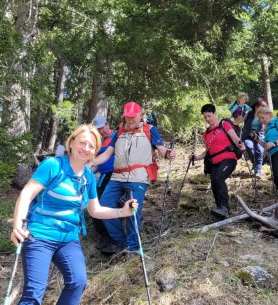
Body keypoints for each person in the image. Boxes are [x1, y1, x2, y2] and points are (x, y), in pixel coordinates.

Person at [0, 125, 138, 305]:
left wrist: (123, 212)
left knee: (77, 282)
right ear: (72, 143)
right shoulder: (53, 165)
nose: (86, 148)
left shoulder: (87, 176)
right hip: (39, 235)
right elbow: (27, 193)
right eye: (82, 143)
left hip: (68, 239)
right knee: (33, 292)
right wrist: (18, 224)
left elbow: (95, 210)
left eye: (91, 146)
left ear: (94, 152)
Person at [92, 101, 176, 253]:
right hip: (117, 177)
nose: (130, 120)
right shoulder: (118, 132)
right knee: (103, 206)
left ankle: (133, 247)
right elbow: (106, 154)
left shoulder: (150, 130)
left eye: (133, 117)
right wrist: (90, 162)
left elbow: (161, 149)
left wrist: (168, 153)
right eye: (127, 117)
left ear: (140, 115)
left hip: (138, 177)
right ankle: (121, 242)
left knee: (132, 211)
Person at [192, 103, 246, 219]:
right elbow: (207, 151)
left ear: (215, 114)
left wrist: (240, 144)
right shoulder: (206, 134)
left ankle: (224, 208)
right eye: (205, 117)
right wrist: (196, 157)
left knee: (219, 178)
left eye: (209, 116)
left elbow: (235, 138)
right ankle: (220, 211)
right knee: (214, 183)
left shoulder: (224, 124)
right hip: (214, 162)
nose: (208, 119)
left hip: (228, 158)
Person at [91, 115, 118, 254]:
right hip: (102, 176)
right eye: (99, 130)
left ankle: (113, 239)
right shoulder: (99, 143)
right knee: (92, 202)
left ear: (107, 124)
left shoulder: (116, 136)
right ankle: (104, 236)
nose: (102, 131)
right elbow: (95, 165)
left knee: (103, 203)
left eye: (103, 127)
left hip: (115, 174)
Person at [242, 98, 267, 178]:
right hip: (248, 136)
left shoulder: (264, 115)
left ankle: (258, 171)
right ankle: (254, 164)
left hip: (259, 136)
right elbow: (242, 123)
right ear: (255, 106)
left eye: (261, 107)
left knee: (259, 150)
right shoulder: (248, 114)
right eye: (258, 106)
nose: (259, 108)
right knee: (249, 147)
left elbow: (268, 124)